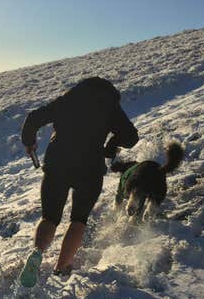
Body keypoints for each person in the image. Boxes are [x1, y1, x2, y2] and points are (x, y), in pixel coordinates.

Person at [18, 77, 139, 287]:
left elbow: (33, 119)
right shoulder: (109, 106)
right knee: (79, 220)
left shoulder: (66, 100)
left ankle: (37, 254)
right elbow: (130, 137)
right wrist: (111, 144)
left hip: (58, 164)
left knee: (50, 217)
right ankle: (61, 268)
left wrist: (29, 143)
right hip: (89, 169)